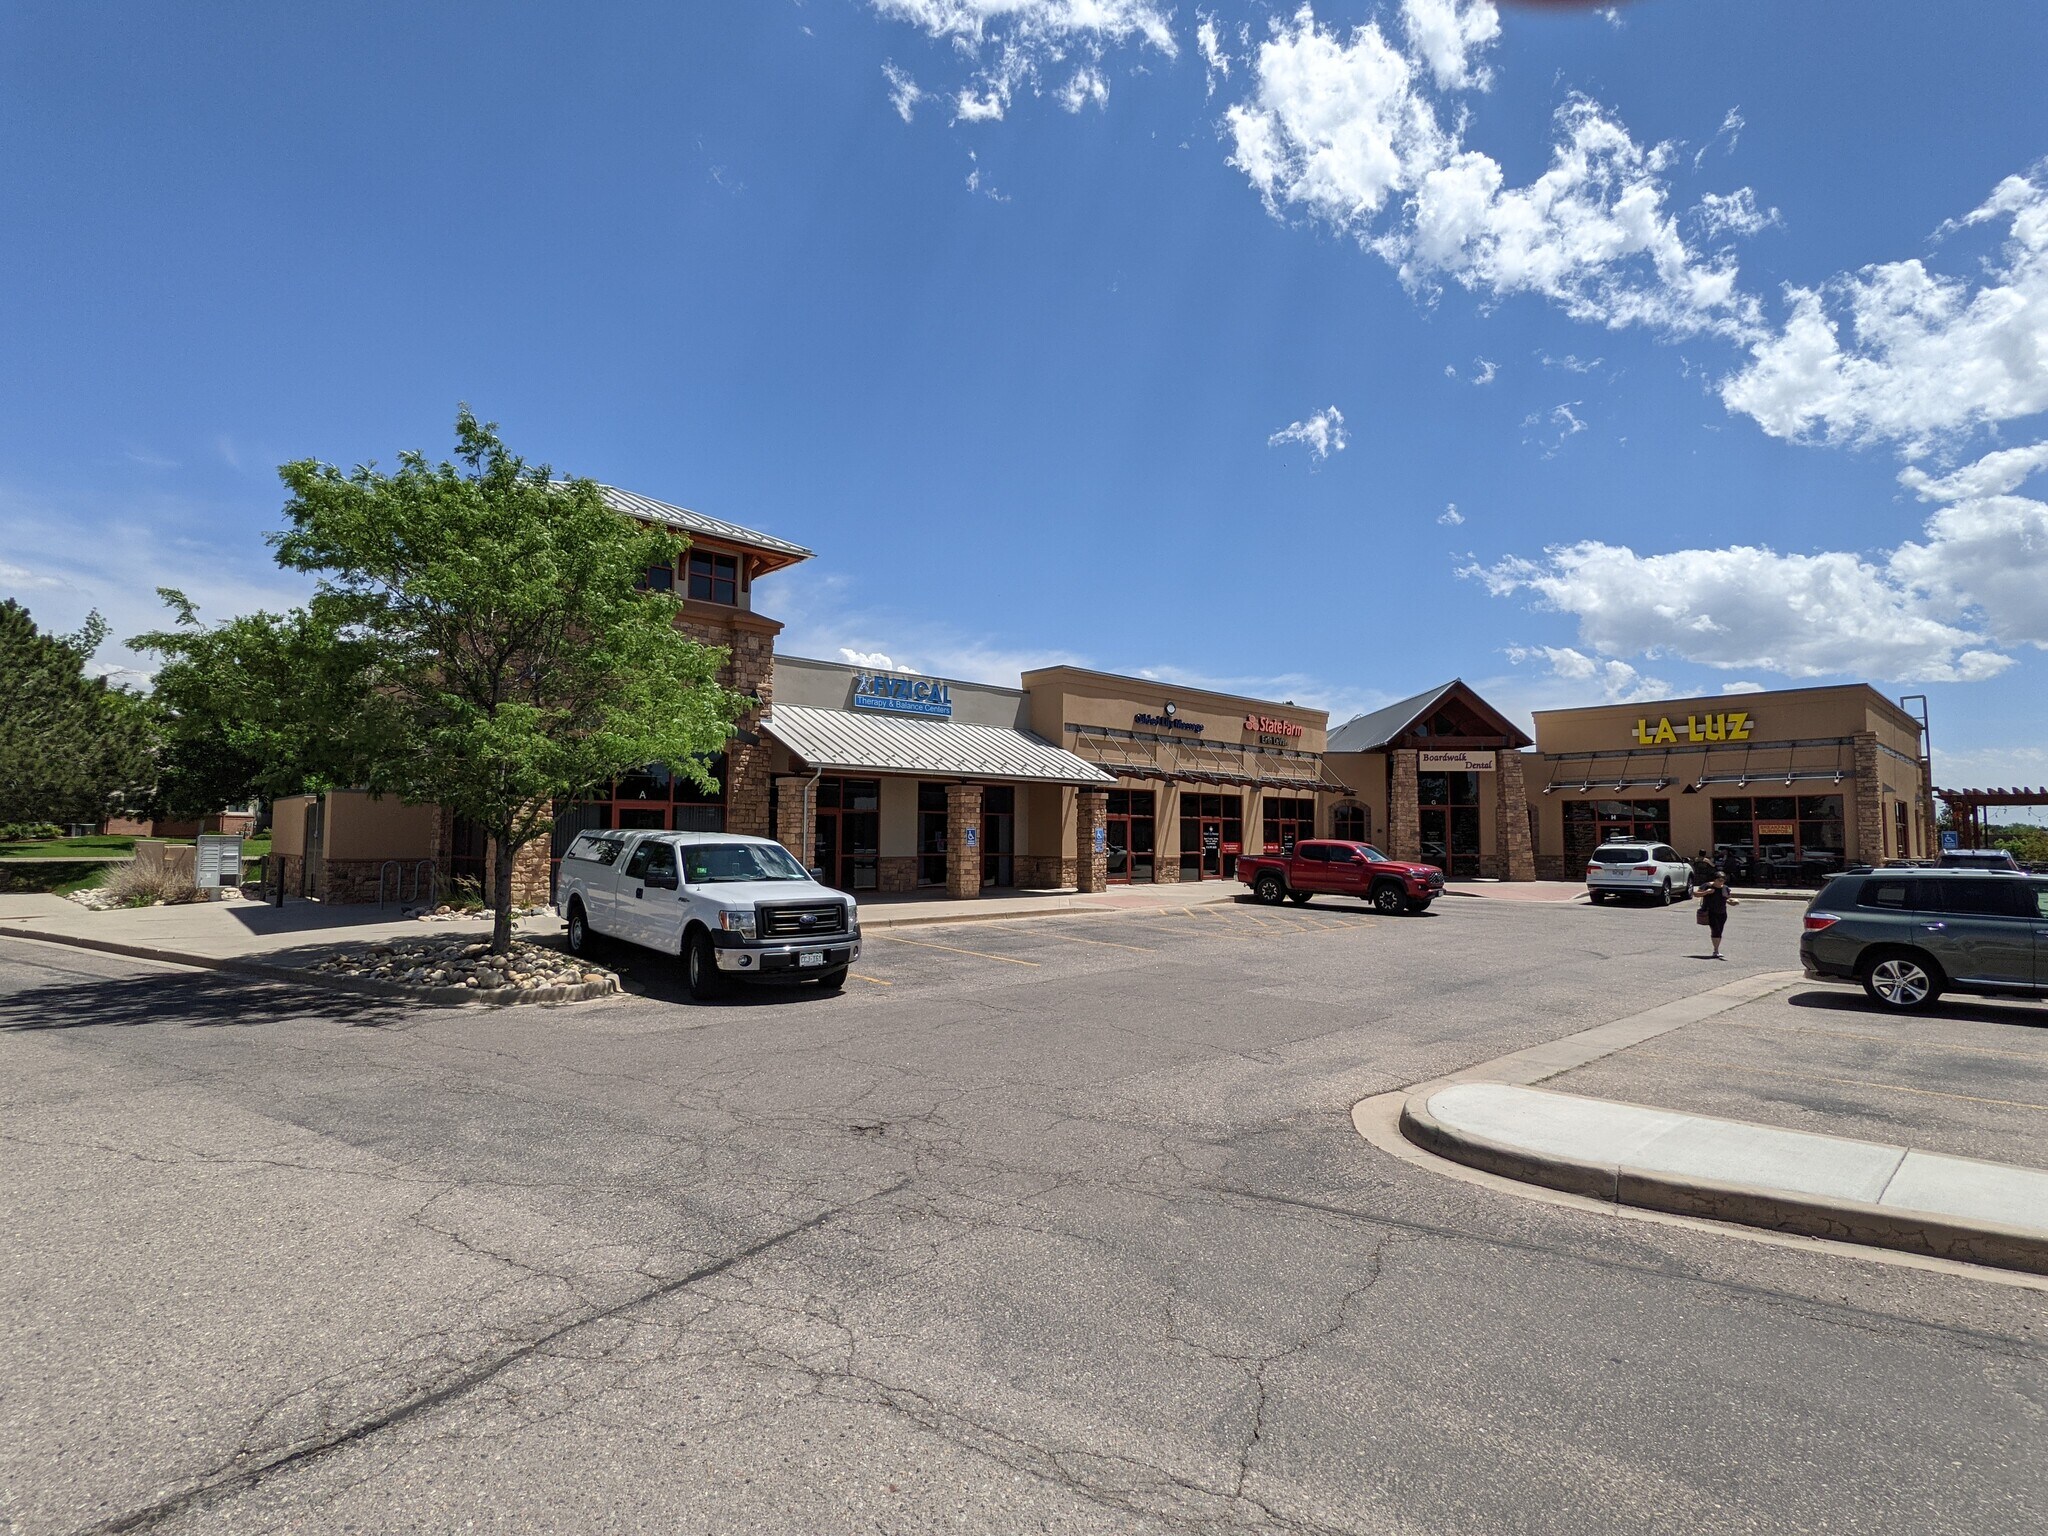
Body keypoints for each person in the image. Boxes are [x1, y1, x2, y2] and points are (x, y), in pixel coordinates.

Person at [1698, 872, 1732, 959]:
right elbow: (1696, 894)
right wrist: (1706, 892)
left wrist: (1732, 901)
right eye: (1720, 880)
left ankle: (1716, 950)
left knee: (1720, 930)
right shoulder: (1707, 886)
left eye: (1723, 880)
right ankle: (1716, 950)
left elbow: (1728, 898)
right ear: (1715, 879)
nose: (1721, 882)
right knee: (1715, 930)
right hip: (1710, 912)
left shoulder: (1725, 888)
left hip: (1722, 912)